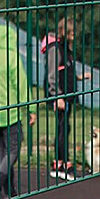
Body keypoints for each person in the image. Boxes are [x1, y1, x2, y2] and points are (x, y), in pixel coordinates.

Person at [0, 16, 36, 199]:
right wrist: (30, 108)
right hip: (10, 111)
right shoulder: (12, 57)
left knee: (4, 151)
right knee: (13, 150)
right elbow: (21, 84)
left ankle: (9, 190)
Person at [38, 16, 81, 178]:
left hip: (67, 94)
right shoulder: (55, 49)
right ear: (64, 31)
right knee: (63, 128)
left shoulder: (65, 48)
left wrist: (78, 78)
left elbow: (64, 70)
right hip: (60, 95)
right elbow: (52, 74)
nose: (74, 35)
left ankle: (59, 162)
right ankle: (64, 164)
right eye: (71, 32)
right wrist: (57, 96)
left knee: (64, 128)